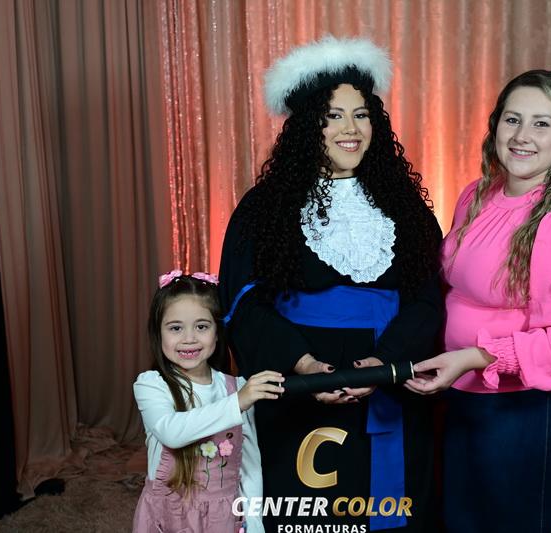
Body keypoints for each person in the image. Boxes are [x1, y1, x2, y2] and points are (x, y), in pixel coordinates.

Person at [219, 36, 443, 531]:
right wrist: (303, 367)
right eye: (333, 116)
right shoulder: (263, 208)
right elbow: (243, 304)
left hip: (386, 377)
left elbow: (428, 300)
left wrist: (384, 364)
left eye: (361, 115)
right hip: (299, 382)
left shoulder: (405, 206)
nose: (350, 129)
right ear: (306, 126)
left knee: (390, 510)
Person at [406, 69, 551, 532]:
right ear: (496, 126)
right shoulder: (477, 194)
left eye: (542, 124)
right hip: (464, 388)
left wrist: (473, 357)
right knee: (460, 521)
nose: (522, 136)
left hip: (534, 401)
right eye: (512, 119)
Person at [132, 271, 284, 533]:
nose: (189, 338)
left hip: (222, 518)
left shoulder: (236, 388)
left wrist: (255, 522)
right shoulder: (152, 385)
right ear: (158, 333)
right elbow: (171, 432)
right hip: (169, 517)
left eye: (201, 326)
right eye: (176, 328)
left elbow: (249, 466)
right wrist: (238, 403)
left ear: (217, 332)